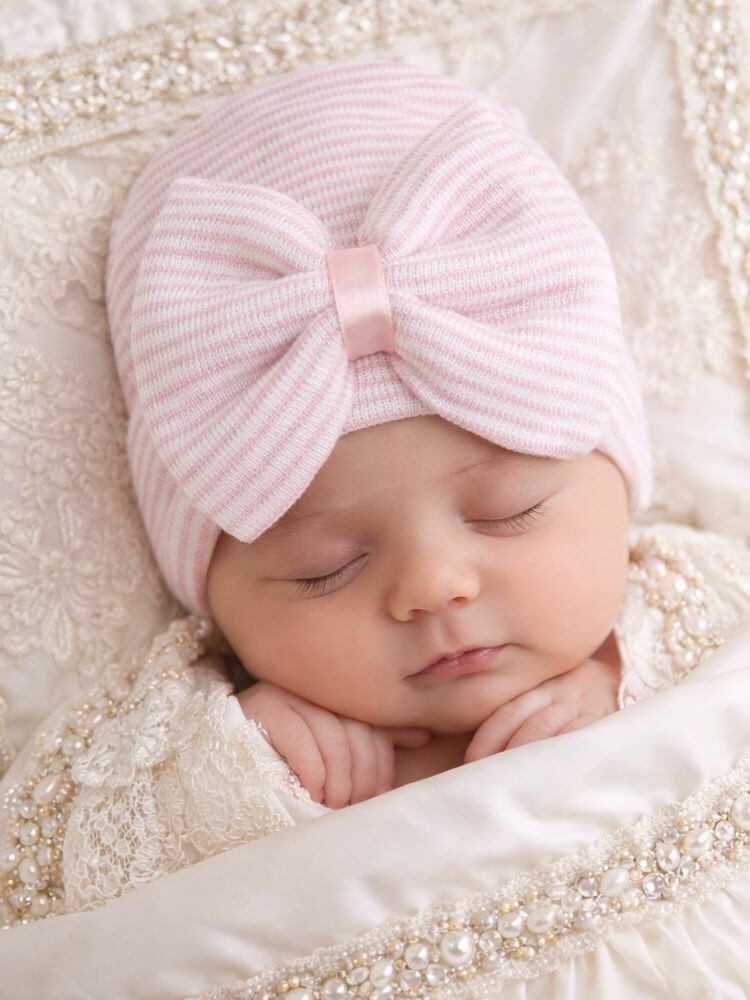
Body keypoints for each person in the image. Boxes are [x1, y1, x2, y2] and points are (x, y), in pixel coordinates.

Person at [105, 59, 750, 815]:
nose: (434, 586)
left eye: (508, 511)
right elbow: (52, 884)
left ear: (618, 489)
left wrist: (633, 680)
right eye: (326, 568)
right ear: (213, 597)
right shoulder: (191, 731)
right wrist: (223, 767)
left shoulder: (684, 604)